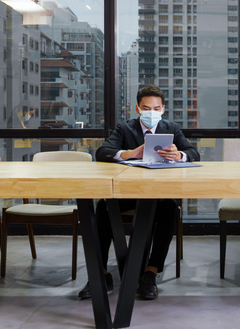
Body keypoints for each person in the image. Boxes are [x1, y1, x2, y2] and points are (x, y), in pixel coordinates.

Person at [78, 85, 199, 300]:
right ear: (137, 108)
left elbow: (193, 153)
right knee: (104, 206)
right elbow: (102, 152)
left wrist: (179, 155)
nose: (151, 112)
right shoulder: (125, 128)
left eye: (156, 108)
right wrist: (129, 153)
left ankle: (150, 273)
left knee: (170, 207)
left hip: (157, 194)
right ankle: (101, 274)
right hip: (128, 194)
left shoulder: (171, 128)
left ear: (163, 109)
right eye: (146, 108)